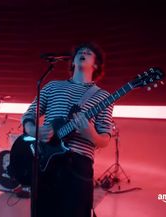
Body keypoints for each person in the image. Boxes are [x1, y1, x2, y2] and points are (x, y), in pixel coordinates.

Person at [21, 42, 113, 217]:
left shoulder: (103, 96)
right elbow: (29, 114)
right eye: (79, 51)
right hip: (45, 163)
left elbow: (105, 137)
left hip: (78, 165)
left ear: (96, 64)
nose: (82, 53)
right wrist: (33, 130)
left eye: (88, 52)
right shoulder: (52, 86)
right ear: (72, 62)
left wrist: (91, 134)